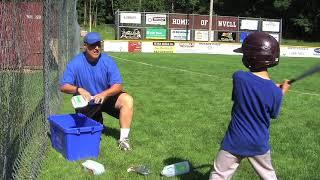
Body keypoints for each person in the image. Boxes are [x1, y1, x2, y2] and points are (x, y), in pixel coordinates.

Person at [209, 32, 291, 180]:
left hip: (235, 140)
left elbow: (249, 89)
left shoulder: (239, 77)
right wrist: (281, 92)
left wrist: (273, 88)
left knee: (219, 175)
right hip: (259, 143)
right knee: (269, 175)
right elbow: (273, 113)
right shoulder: (275, 92)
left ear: (250, 58)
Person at [60, 32, 134, 151]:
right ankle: (95, 122)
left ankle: (124, 140)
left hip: (106, 98)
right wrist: (78, 89)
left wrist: (104, 94)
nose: (96, 48)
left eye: (99, 45)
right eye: (92, 45)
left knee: (127, 100)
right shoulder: (75, 63)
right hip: (88, 102)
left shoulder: (108, 61)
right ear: (85, 46)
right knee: (91, 136)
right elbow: (63, 86)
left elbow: (118, 86)